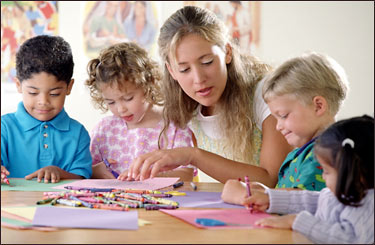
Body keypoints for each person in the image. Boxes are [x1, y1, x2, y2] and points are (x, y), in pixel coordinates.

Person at [122, 5, 293, 186]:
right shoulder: (186, 109)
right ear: (171, 71)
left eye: (207, 62)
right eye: (184, 69)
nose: (199, 79)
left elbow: (270, 180)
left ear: (227, 52)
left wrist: (192, 155)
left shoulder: (266, 94)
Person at [221, 52, 349, 203]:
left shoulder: (326, 156)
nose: (278, 127)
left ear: (318, 106)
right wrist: (263, 190)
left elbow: (302, 201)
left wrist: (251, 196)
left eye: (283, 115)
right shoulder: (305, 151)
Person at [239, 115, 374, 244]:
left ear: (358, 172)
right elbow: (312, 200)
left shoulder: (368, 206)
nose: (323, 176)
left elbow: (350, 239)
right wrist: (270, 199)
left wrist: (297, 221)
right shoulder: (344, 192)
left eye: (327, 172)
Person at [85, 42, 195, 181]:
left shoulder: (175, 125)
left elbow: (186, 175)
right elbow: (85, 171)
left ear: (148, 84)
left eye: (128, 98)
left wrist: (149, 176)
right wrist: (94, 171)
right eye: (111, 102)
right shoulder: (104, 129)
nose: (121, 109)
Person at [1, 35, 92, 183]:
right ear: (18, 85)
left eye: (54, 93)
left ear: (69, 87)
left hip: (59, 205)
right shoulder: (4, 128)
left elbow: (82, 177)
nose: (43, 102)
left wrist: (60, 173)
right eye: (33, 93)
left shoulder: (78, 133)